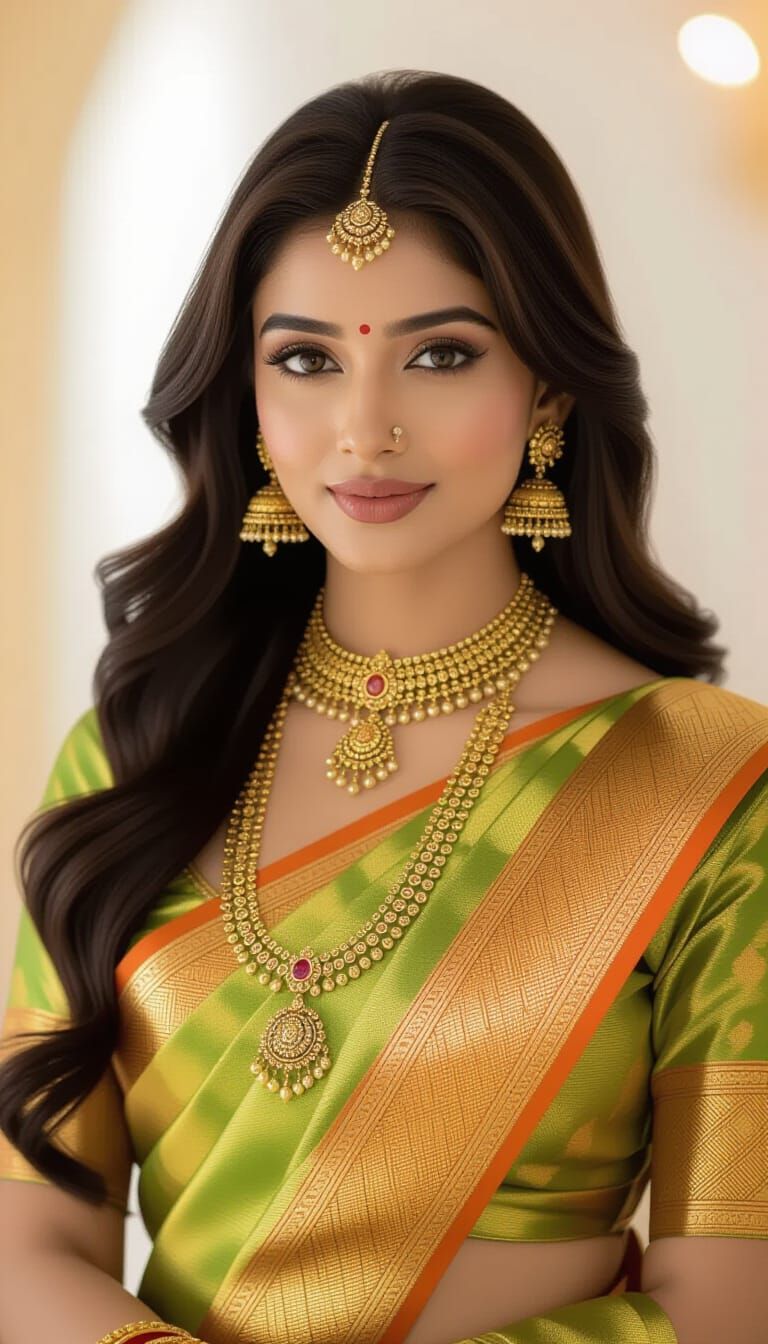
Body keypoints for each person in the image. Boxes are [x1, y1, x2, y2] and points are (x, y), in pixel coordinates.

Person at [1, 69, 766, 1344]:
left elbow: (733, 1307)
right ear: (248, 401)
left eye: (441, 355)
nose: (364, 430)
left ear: (551, 395)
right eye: (305, 359)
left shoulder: (705, 784)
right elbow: (25, 1242)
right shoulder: (136, 756)